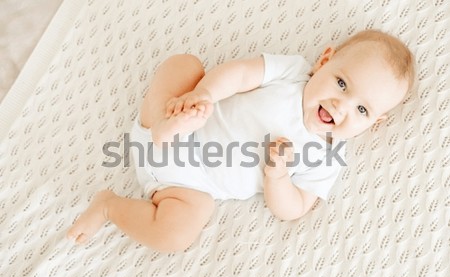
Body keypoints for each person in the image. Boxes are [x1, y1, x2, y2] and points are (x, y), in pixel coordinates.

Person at [67, 30, 415, 252]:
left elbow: (293, 209)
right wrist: (203, 94)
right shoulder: (293, 73)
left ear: (374, 124)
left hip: (184, 186)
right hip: (178, 117)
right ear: (324, 61)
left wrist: (277, 177)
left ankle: (109, 206)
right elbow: (242, 73)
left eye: (362, 110)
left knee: (176, 234)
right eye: (341, 83)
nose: (341, 106)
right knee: (184, 64)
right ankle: (165, 124)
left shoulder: (327, 159)